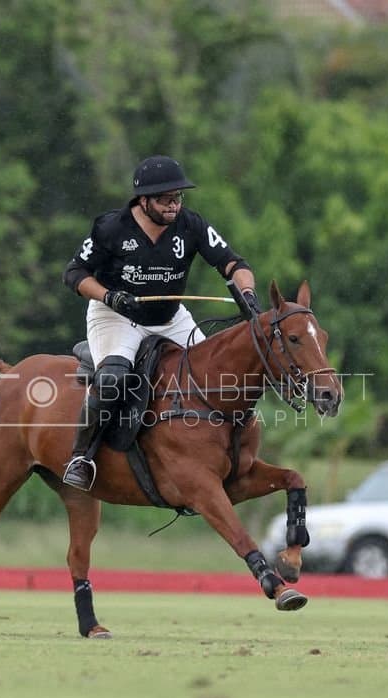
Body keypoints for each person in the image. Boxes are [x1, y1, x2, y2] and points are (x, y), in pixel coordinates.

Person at [60, 155, 260, 490]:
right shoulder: (111, 228)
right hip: (117, 315)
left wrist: (249, 295)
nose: (174, 205)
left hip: (170, 317)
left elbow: (233, 264)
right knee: (113, 379)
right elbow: (73, 273)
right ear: (143, 200)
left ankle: (220, 451)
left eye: (178, 198)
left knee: (217, 374)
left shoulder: (191, 225)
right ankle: (82, 456)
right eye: (165, 199)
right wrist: (109, 296)